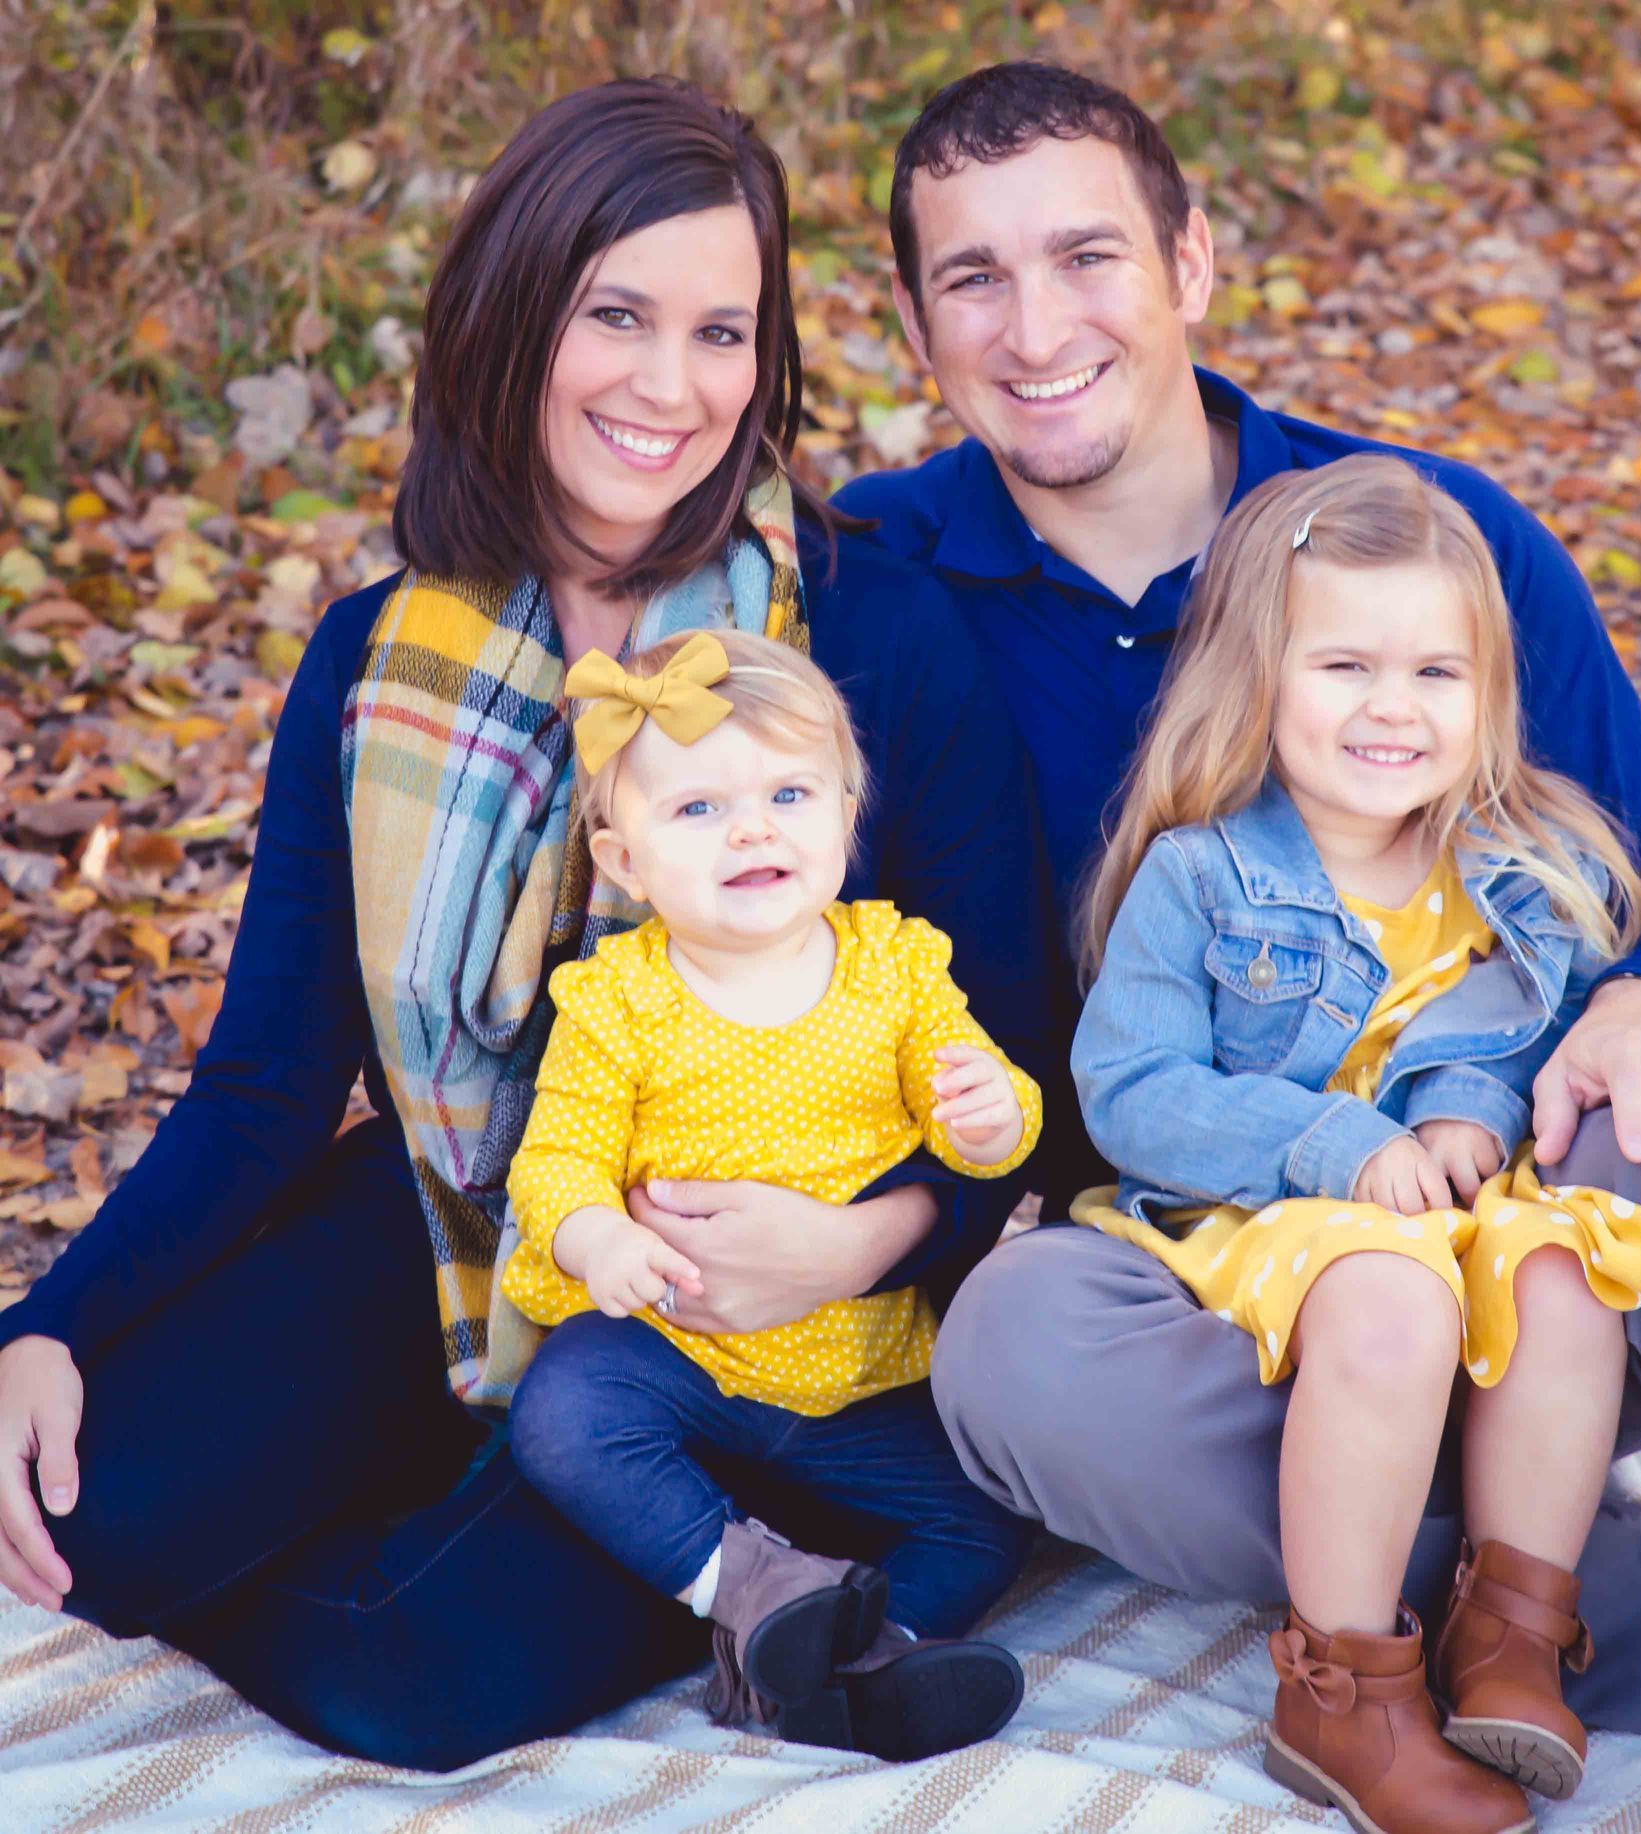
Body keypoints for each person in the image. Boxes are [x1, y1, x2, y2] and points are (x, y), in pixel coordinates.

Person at [838, 59, 1641, 1742]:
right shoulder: (882, 582)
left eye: (1087, 255)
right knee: (1013, 1346)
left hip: (1526, 1257)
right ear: (915, 326)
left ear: (1190, 263)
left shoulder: (1426, 543)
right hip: (1221, 1280)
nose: (1033, 321)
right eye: (973, 274)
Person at [0, 79, 1052, 1769]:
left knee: (404, 1674)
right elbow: (274, 1072)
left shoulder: (864, 627)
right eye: (614, 314)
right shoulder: (374, 652)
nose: (670, 385)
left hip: (739, 1300)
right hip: (458, 1204)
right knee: (92, 1515)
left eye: (723, 331)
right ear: (507, 317)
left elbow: (1013, 1042)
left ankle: (680, 1568)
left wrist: (867, 1237)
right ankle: (405, 1450)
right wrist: (49, 1319)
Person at [1074, 454, 1641, 1832]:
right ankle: (1344, 1686)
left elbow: (1527, 1036)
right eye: (1344, 665)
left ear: (1488, 697)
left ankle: (1513, 1623)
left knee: (1570, 1267)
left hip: (1441, 1203)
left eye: (1436, 675)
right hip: (1256, 1204)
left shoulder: (1523, 872)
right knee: (1394, 1295)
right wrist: (1338, 1142)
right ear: (1259, 677)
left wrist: (1474, 1106)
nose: (1392, 709)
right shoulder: (1201, 872)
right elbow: (1131, 1085)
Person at [502, 627, 1036, 1756]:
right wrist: (597, 1238)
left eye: (790, 793)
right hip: (681, 1353)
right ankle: (752, 1591)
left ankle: (868, 1655)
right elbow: (558, 1161)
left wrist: (994, 1115)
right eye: (696, 809)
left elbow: (980, 1125)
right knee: (565, 1416)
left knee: (986, 1512)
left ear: (846, 819)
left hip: (863, 1364)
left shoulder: (900, 964)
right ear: (624, 862)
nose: (752, 827)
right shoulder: (616, 1002)